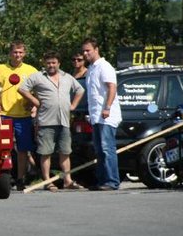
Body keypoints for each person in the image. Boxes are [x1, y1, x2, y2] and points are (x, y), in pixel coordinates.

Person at [18, 51, 85, 191]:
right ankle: (48, 181)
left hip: (64, 121)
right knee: (45, 152)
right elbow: (22, 89)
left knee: (65, 152)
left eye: (54, 62)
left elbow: (80, 90)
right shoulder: (38, 77)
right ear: (45, 63)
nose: (51, 65)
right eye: (48, 63)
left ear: (58, 63)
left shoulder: (67, 77)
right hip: (46, 121)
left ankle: (67, 180)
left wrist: (73, 106)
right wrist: (35, 101)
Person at [0, 41, 38, 190]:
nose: (17, 55)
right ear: (10, 53)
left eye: (20, 52)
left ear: (24, 54)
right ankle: (2, 177)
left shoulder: (31, 70)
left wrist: (34, 106)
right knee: (2, 148)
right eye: (15, 52)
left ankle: (20, 179)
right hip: (4, 115)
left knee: (23, 150)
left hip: (23, 116)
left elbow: (39, 91)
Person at [82, 37, 122, 191]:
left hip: (106, 115)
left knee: (107, 148)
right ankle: (102, 180)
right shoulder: (91, 69)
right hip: (95, 116)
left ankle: (112, 181)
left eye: (88, 50)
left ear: (96, 50)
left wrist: (107, 107)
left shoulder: (104, 66)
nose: (85, 54)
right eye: (84, 51)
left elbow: (112, 87)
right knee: (99, 150)